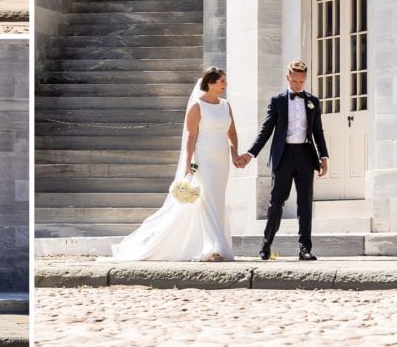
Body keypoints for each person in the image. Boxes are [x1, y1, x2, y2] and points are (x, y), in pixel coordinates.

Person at [108, 67, 242, 262]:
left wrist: (235, 154)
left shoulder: (225, 105)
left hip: (222, 161)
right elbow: (191, 135)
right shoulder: (197, 106)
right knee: (208, 200)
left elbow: (232, 133)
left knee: (218, 200)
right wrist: (188, 162)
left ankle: (215, 244)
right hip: (204, 160)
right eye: (222, 81)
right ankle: (213, 248)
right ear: (211, 83)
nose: (225, 85)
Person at [239, 60, 330, 261]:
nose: (298, 84)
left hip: (306, 155)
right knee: (276, 203)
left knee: (305, 203)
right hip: (283, 156)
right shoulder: (278, 101)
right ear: (288, 77)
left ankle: (304, 248)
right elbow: (266, 130)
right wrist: (250, 153)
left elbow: (318, 131)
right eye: (295, 80)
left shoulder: (313, 101)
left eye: (302, 81)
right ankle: (266, 243)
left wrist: (324, 156)